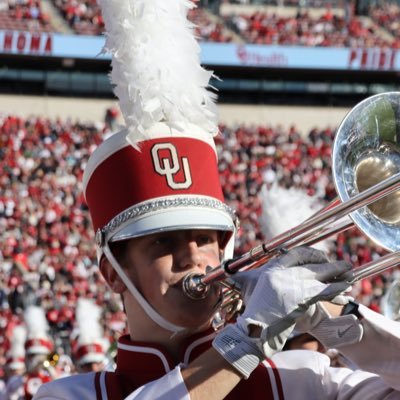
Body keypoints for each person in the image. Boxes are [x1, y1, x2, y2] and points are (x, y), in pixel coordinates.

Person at [34, 0, 400, 398]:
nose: (193, 258)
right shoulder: (69, 393)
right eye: (163, 241)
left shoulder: (303, 380)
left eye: (207, 239)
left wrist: (339, 319)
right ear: (112, 273)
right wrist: (244, 341)